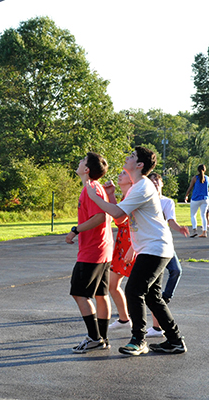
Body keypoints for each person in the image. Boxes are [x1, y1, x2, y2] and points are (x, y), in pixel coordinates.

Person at [86, 146, 186, 356]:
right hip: (152, 247)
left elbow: (116, 213)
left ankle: (138, 340)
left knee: (134, 290)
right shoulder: (136, 187)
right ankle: (175, 341)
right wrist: (112, 196)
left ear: (140, 165)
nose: (126, 157)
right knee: (152, 297)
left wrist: (95, 196)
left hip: (155, 247)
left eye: (131, 156)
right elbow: (121, 218)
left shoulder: (142, 186)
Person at [65, 152, 113, 353]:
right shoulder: (96, 187)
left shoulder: (91, 187)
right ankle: (102, 338)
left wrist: (75, 230)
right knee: (101, 294)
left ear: (87, 170)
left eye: (82, 161)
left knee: (79, 293)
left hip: (93, 250)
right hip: (103, 248)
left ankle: (94, 338)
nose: (79, 162)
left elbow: (100, 217)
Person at [146, 172, 189, 337]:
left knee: (176, 270)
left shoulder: (167, 202)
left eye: (158, 180)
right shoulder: (145, 200)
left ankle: (165, 299)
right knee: (149, 283)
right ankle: (153, 322)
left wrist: (179, 228)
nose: (155, 183)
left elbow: (171, 220)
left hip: (165, 245)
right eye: (152, 181)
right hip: (149, 245)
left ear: (162, 184)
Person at [107, 170, 135, 331]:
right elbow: (117, 216)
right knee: (112, 285)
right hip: (122, 244)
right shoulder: (126, 198)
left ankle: (157, 326)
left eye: (124, 173)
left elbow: (120, 219)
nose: (119, 175)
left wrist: (133, 248)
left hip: (133, 246)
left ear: (131, 180)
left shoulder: (134, 196)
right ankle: (124, 319)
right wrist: (111, 194)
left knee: (143, 291)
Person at [184, 164, 208, 238]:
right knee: (203, 215)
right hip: (205, 198)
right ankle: (204, 232)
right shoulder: (207, 178)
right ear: (205, 170)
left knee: (193, 215)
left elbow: (190, 187)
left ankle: (195, 230)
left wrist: (186, 195)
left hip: (195, 198)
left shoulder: (195, 178)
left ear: (198, 170)